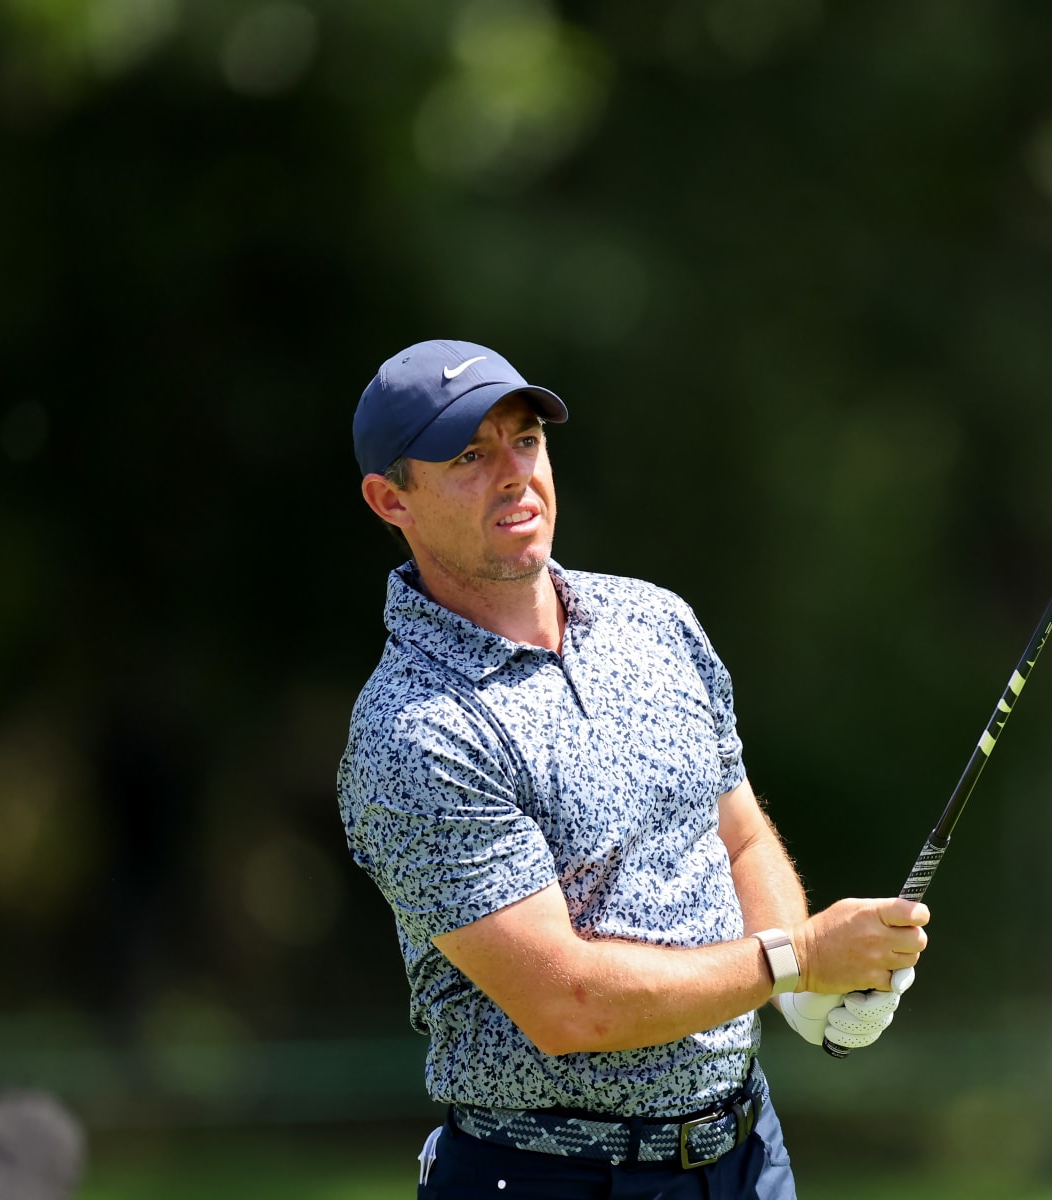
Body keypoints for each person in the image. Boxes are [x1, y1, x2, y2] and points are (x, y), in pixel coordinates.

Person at [337, 340, 930, 1199]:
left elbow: (737, 835)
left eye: (526, 441)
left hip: (745, 1154)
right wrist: (793, 959)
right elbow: (568, 1004)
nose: (514, 475)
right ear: (391, 499)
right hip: (546, 1178)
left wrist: (800, 992)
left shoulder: (653, 623)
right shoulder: (414, 732)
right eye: (469, 455)